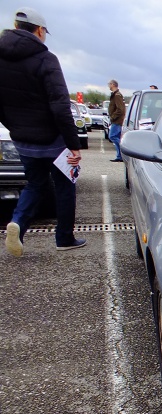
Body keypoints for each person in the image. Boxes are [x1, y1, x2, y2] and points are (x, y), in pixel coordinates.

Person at [0, 7, 85, 256]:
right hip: (53, 140)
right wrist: (74, 144)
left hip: (23, 141)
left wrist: (14, 127)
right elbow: (60, 106)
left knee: (34, 184)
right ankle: (64, 238)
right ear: (39, 30)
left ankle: (18, 222)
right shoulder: (46, 59)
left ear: (16, 27)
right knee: (65, 185)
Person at [107, 78, 125, 162]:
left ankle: (122, 153)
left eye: (109, 84)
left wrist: (113, 117)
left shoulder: (117, 95)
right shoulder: (115, 94)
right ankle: (119, 156)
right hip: (116, 120)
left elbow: (120, 109)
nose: (108, 86)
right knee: (116, 137)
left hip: (117, 120)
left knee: (112, 136)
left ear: (113, 84)